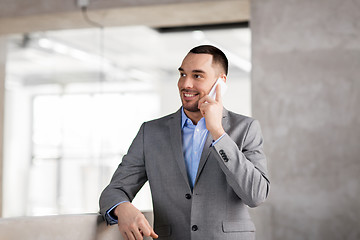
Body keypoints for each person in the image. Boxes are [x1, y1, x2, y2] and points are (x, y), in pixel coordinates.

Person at [99, 45, 270, 240]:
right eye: (182, 74)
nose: (185, 84)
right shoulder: (151, 132)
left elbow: (256, 195)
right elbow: (113, 191)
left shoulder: (246, 128)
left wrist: (218, 133)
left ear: (220, 83)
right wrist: (123, 207)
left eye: (197, 76)